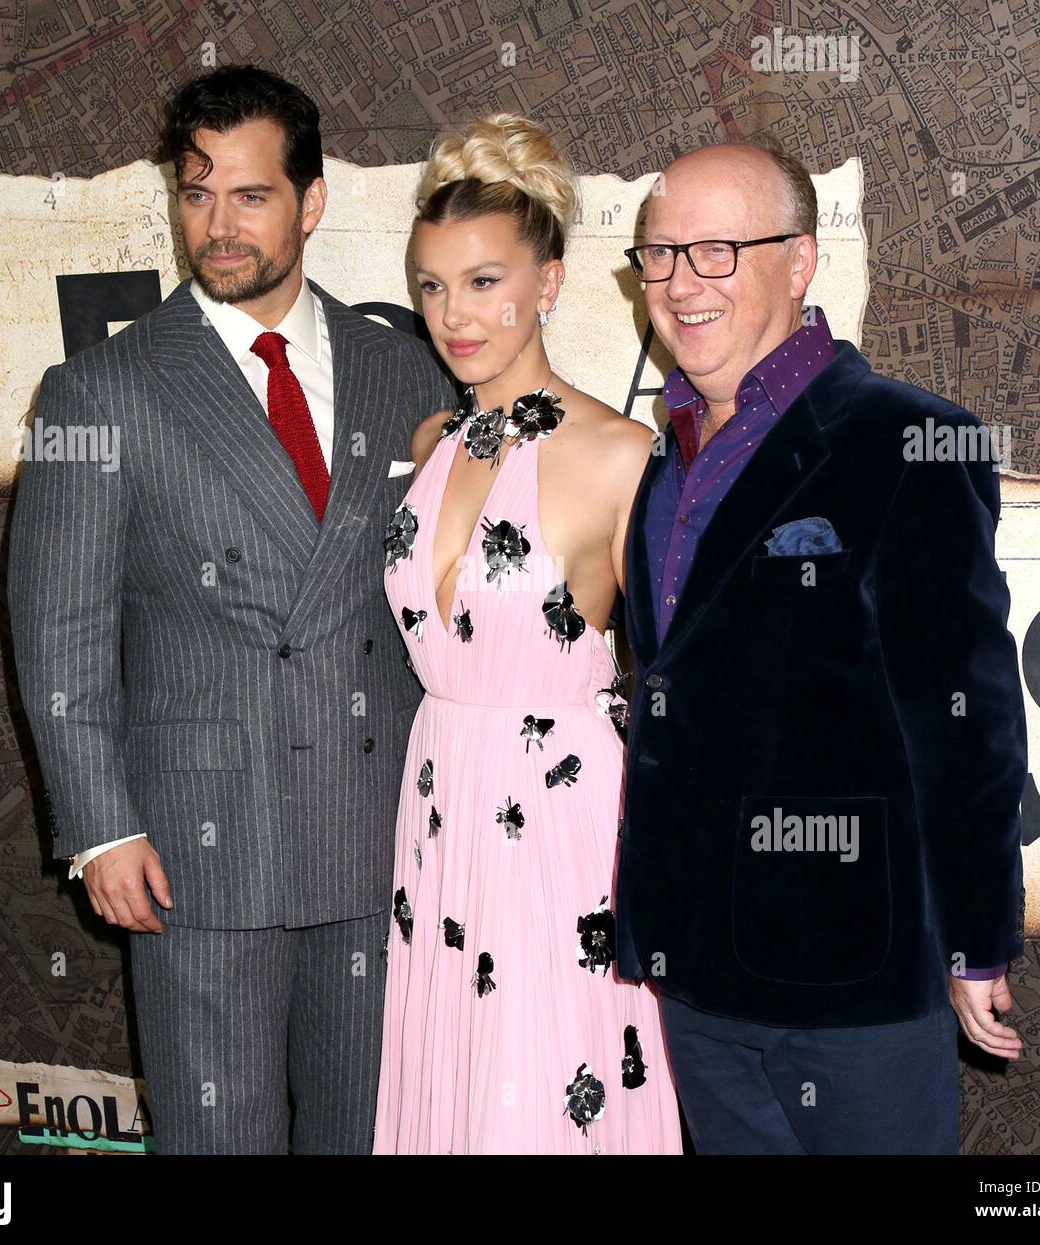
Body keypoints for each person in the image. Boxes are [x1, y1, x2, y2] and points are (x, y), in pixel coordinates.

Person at [7, 65, 452, 1153]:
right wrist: (101, 824)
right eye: (195, 193)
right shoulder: (99, 392)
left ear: (311, 202)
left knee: (367, 1133)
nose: (218, 224)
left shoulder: (408, 374)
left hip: (378, 829)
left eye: (249, 195)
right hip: (198, 848)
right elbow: (57, 630)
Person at [614, 135, 1028, 1154]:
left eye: (718, 251)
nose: (679, 282)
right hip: (698, 972)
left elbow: (964, 714)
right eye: (659, 254)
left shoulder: (906, 442)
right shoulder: (663, 461)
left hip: (853, 977)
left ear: (799, 262)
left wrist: (975, 936)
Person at [371, 113, 682, 1153]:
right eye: (431, 286)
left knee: (545, 1086)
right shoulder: (430, 445)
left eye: (484, 281)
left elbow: (700, 672)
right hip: (439, 807)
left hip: (562, 826)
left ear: (548, 282)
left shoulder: (624, 456)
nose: (454, 316)